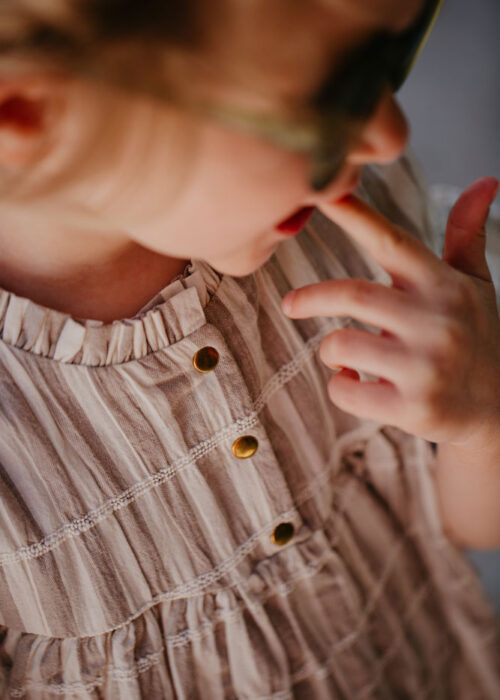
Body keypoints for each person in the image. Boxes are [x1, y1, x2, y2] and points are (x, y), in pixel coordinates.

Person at [0, 0, 499, 697]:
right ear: (33, 116)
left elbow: (469, 528)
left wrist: (482, 414)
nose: (388, 134)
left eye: (399, 48)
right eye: (339, 91)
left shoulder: (347, 226)